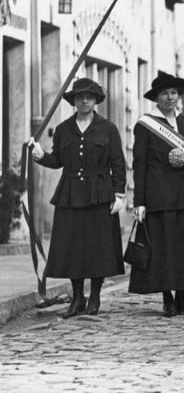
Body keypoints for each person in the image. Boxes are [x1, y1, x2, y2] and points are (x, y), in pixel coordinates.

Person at [28, 78, 125, 317]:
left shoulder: (108, 128)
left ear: (95, 101)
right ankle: (77, 297)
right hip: (70, 195)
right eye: (79, 97)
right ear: (73, 101)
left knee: (97, 247)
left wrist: (119, 194)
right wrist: (40, 155)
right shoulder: (63, 129)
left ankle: (95, 296)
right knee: (72, 247)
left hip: (99, 195)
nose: (84, 101)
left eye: (89, 97)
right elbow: (57, 160)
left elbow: (118, 163)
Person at [129, 71, 184, 317]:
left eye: (174, 93)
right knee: (163, 248)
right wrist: (139, 201)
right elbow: (140, 163)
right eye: (165, 93)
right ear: (156, 97)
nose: (170, 97)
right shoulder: (145, 125)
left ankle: (183, 298)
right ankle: (167, 298)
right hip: (159, 194)